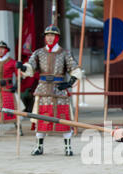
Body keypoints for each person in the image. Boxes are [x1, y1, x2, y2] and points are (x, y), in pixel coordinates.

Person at [16, 25, 82, 156]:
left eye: (52, 35)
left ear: (57, 37)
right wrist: (23, 68)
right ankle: (39, 146)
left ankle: (68, 147)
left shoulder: (65, 53)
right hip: (43, 90)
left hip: (59, 90)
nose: (50, 38)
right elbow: (31, 67)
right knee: (41, 118)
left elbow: (74, 68)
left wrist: (69, 83)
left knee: (64, 119)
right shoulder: (38, 53)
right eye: (47, 35)